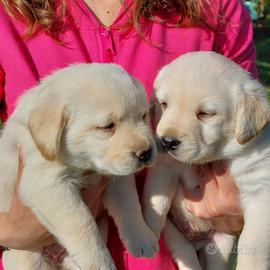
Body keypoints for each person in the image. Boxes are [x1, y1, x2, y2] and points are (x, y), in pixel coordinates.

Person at [0, 0, 257, 269]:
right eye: (108, 126)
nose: (144, 141)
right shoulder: (8, 14)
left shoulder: (215, 7)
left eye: (146, 114)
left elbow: (247, 140)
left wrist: (241, 211)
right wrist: (7, 231)